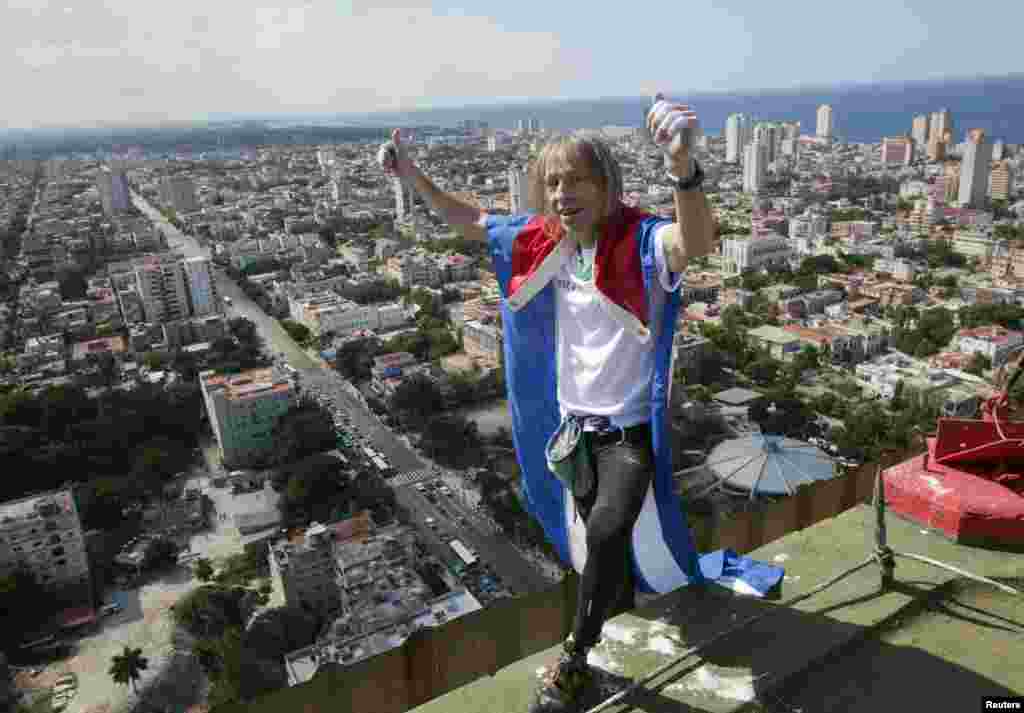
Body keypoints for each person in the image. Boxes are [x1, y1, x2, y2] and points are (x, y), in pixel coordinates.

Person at [379, 97, 782, 712]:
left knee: (606, 531)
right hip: (574, 435)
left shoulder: (640, 240)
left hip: (627, 433)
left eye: (577, 180)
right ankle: (608, 655)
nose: (563, 192)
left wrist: (683, 168)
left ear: (606, 186)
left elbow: (696, 241)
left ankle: (573, 656)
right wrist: (411, 177)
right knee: (605, 559)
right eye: (553, 182)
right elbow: (467, 219)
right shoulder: (542, 244)